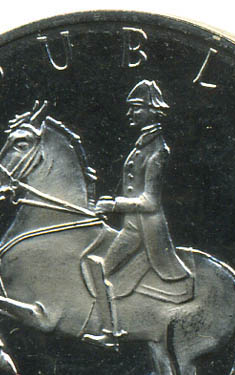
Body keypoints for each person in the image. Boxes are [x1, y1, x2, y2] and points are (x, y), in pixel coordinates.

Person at [83, 80, 190, 350]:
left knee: (100, 269)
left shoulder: (158, 150)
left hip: (144, 231)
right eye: (130, 108)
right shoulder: (142, 145)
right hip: (131, 226)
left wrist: (113, 205)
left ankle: (111, 332)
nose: (130, 113)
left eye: (137, 108)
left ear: (153, 111)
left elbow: (150, 202)